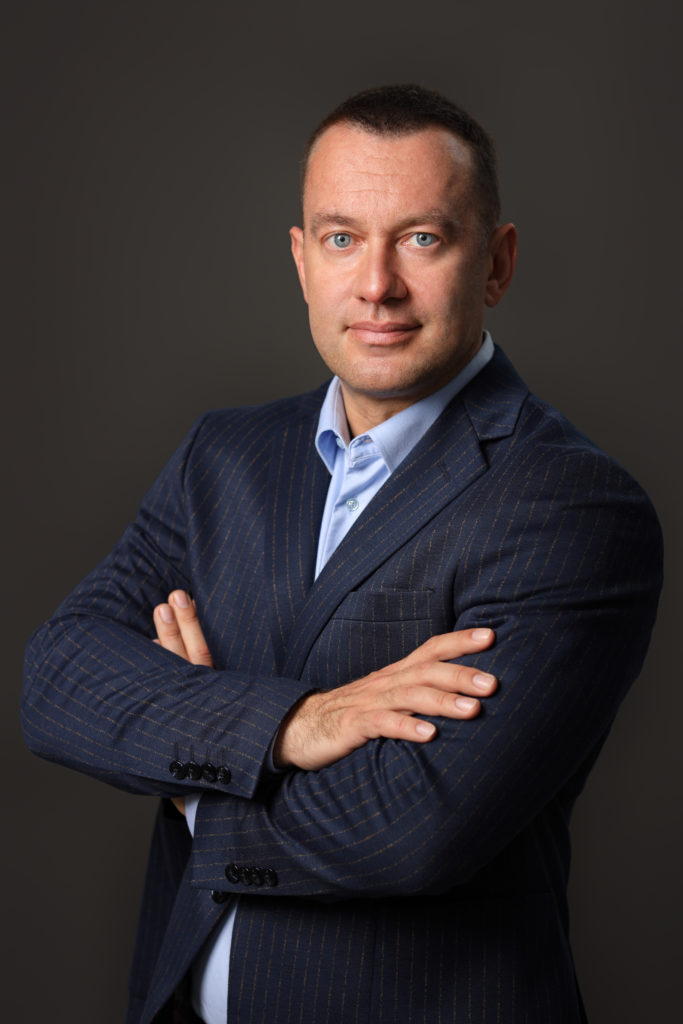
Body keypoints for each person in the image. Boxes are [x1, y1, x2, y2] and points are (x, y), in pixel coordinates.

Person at [22, 84, 662, 1024]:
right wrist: (293, 725)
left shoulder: (567, 506)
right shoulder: (223, 458)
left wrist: (192, 782)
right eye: (340, 238)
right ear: (301, 260)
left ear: (496, 262)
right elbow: (56, 681)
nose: (375, 285)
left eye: (421, 239)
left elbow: (409, 829)